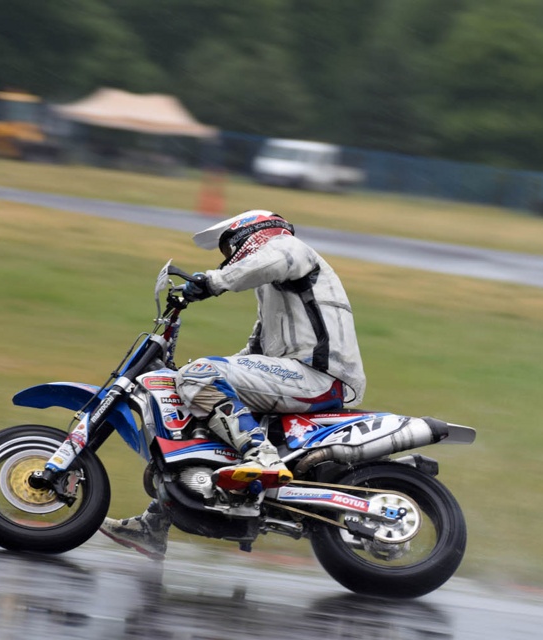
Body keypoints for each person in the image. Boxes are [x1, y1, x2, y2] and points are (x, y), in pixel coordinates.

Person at [99, 210, 366, 560]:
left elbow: (267, 263)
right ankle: (155, 525)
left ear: (251, 234)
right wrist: (195, 376)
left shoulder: (291, 250)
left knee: (198, 375)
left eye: (229, 247)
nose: (229, 256)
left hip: (317, 375)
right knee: (195, 390)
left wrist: (213, 281)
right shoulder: (274, 289)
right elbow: (256, 350)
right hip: (296, 374)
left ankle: (262, 457)